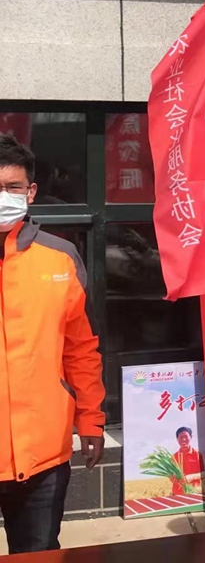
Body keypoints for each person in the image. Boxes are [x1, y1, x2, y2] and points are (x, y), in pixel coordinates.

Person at [0, 133, 105, 554]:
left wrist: (91, 418)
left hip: (43, 454)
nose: (3, 196)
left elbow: (80, 349)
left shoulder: (60, 256)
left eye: (12, 187)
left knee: (40, 552)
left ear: (30, 192)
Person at [171, 427, 204, 495]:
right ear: (177, 439)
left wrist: (192, 477)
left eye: (186, 436)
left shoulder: (198, 454)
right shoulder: (173, 457)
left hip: (196, 492)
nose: (183, 439)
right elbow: (170, 475)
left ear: (191, 437)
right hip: (178, 493)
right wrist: (172, 478)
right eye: (181, 437)